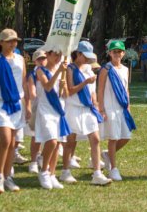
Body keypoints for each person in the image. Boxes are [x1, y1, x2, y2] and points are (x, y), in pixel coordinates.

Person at [0, 29, 28, 193]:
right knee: (5, 138)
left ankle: (7, 176)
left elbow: (24, 82)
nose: (12, 44)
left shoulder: (20, 59)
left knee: (13, 142)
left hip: (16, 103)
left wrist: (28, 105)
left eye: (14, 41)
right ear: (1, 42)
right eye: (9, 41)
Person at [62, 41, 112, 185]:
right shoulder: (69, 68)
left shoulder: (89, 68)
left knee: (95, 139)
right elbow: (70, 90)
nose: (87, 59)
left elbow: (92, 91)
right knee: (70, 142)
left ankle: (97, 174)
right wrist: (85, 82)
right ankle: (65, 172)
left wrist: (96, 106)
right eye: (85, 56)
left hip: (88, 109)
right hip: (73, 108)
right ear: (78, 54)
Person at [99, 40, 136, 182]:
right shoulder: (106, 69)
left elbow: (126, 89)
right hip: (110, 108)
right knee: (113, 138)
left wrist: (128, 107)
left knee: (126, 136)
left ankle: (108, 154)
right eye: (114, 51)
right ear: (109, 53)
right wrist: (101, 109)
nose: (117, 54)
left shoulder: (125, 69)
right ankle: (113, 169)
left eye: (119, 51)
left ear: (123, 53)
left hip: (122, 108)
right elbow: (100, 89)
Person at [34, 49, 69, 190]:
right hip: (46, 109)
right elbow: (48, 87)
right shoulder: (40, 70)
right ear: (47, 55)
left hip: (59, 110)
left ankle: (52, 174)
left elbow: (66, 95)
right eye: (55, 54)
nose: (58, 57)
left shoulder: (62, 71)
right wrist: (59, 72)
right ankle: (44, 171)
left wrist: (63, 87)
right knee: (52, 141)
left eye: (60, 55)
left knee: (57, 144)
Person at [26, 50, 47, 174]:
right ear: (35, 61)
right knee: (36, 136)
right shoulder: (32, 74)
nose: (42, 61)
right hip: (38, 106)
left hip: (49, 106)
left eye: (44, 58)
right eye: (39, 59)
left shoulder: (49, 71)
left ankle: (42, 157)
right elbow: (32, 93)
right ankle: (33, 162)